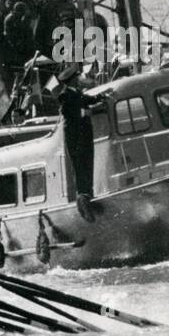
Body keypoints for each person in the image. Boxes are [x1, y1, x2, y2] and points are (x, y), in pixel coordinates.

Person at [56, 65, 100, 221]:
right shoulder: (64, 95)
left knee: (87, 163)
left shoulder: (77, 93)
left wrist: (101, 96)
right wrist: (85, 112)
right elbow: (67, 112)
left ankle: (87, 195)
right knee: (80, 165)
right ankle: (82, 198)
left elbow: (88, 99)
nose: (79, 79)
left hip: (84, 135)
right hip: (75, 138)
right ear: (72, 80)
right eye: (77, 78)